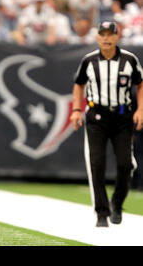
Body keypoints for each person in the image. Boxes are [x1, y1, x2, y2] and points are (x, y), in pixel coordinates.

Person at [70, 21, 143, 227]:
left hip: (122, 117)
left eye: (110, 34)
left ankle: (117, 203)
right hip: (97, 117)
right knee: (97, 163)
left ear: (117, 37)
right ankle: (102, 213)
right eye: (102, 34)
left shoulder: (129, 60)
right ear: (97, 37)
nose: (106, 38)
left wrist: (140, 109)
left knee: (125, 164)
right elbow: (79, 85)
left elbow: (140, 83)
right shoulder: (89, 60)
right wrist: (76, 110)